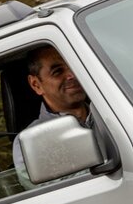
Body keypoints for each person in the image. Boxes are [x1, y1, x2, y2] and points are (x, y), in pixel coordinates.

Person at [13, 45, 95, 188]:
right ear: (36, 84)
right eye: (58, 71)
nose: (72, 75)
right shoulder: (29, 142)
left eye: (74, 65)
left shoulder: (114, 111)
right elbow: (52, 197)